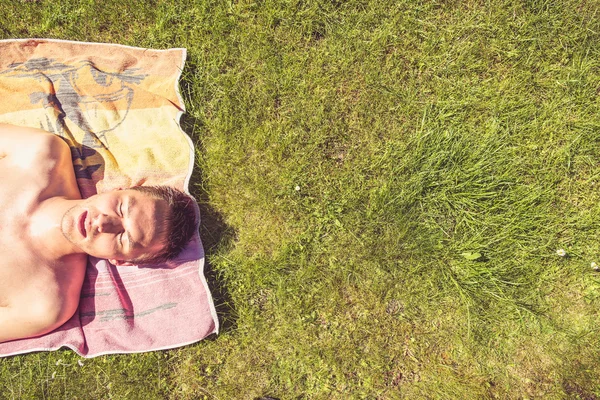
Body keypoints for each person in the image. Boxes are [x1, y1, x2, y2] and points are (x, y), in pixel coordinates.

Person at [0, 124, 198, 343]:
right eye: (121, 208)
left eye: (124, 237)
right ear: (118, 189)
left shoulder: (44, 304)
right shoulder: (39, 153)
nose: (103, 223)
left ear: (122, 261)